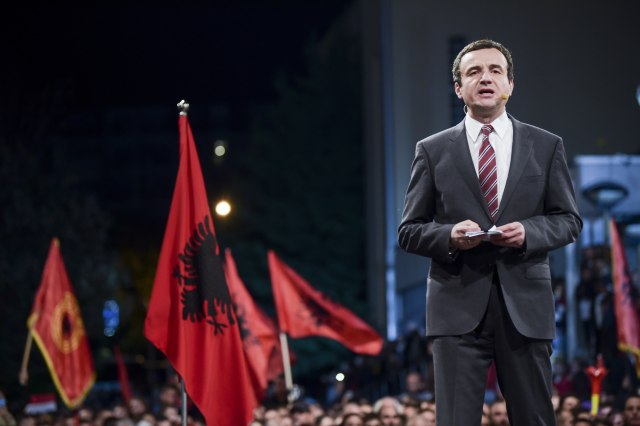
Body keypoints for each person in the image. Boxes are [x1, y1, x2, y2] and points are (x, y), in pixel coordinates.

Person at [397, 38, 582, 425]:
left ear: (510, 84)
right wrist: (449, 236)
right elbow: (409, 231)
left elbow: (569, 220)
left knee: (534, 418)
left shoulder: (546, 146)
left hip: (526, 308)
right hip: (455, 309)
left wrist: (528, 232)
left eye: (495, 70)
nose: (485, 78)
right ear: (458, 88)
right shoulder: (431, 150)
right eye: (474, 72)